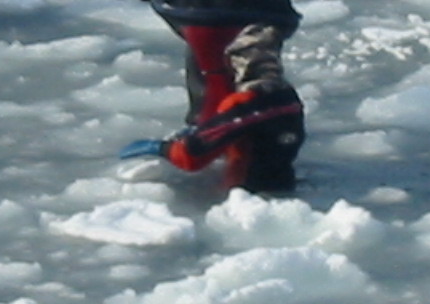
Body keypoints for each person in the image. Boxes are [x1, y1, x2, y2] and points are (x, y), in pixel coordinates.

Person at [119, 23, 305, 193]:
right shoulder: (288, 97)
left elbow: (192, 155)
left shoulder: (245, 103)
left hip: (243, 195)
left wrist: (161, 148)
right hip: (285, 184)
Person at [150, 0, 301, 125]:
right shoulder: (276, 13)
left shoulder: (194, 13)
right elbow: (290, 18)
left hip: (207, 120)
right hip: (259, 115)